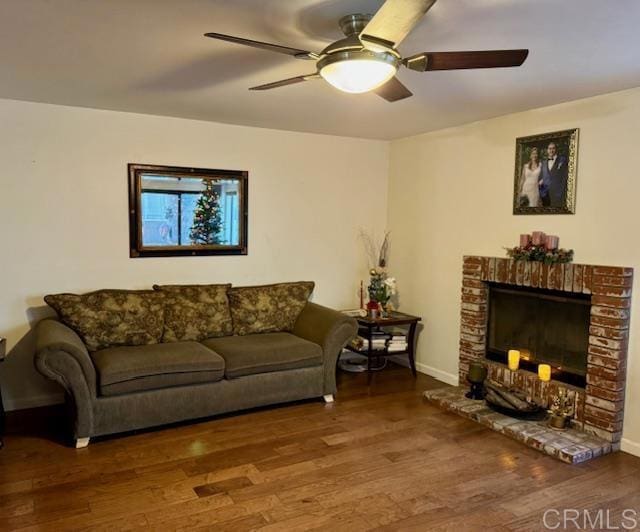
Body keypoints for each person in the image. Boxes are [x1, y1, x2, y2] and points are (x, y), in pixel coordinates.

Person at [539, 142, 568, 207]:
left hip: (557, 194)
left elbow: (564, 177)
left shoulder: (562, 160)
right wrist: (542, 192)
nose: (551, 150)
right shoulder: (543, 163)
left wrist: (561, 192)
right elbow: (540, 178)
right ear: (547, 150)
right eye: (550, 148)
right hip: (545, 194)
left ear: (556, 149)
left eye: (553, 148)